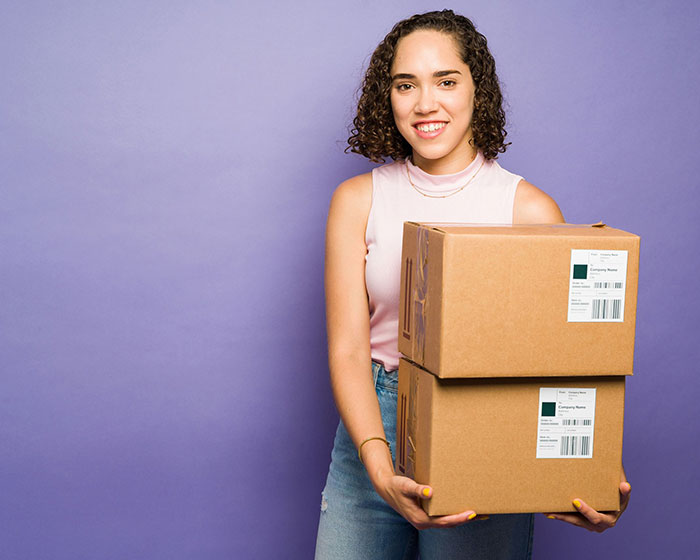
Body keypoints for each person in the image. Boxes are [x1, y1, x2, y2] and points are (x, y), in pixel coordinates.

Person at [315, 9, 631, 559]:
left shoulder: (528, 210)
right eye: (405, 84)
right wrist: (377, 461)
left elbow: (566, 360)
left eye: (446, 81)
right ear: (386, 97)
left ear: (475, 91)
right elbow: (347, 347)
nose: (425, 103)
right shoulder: (357, 201)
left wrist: (595, 466)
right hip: (374, 420)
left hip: (483, 426)